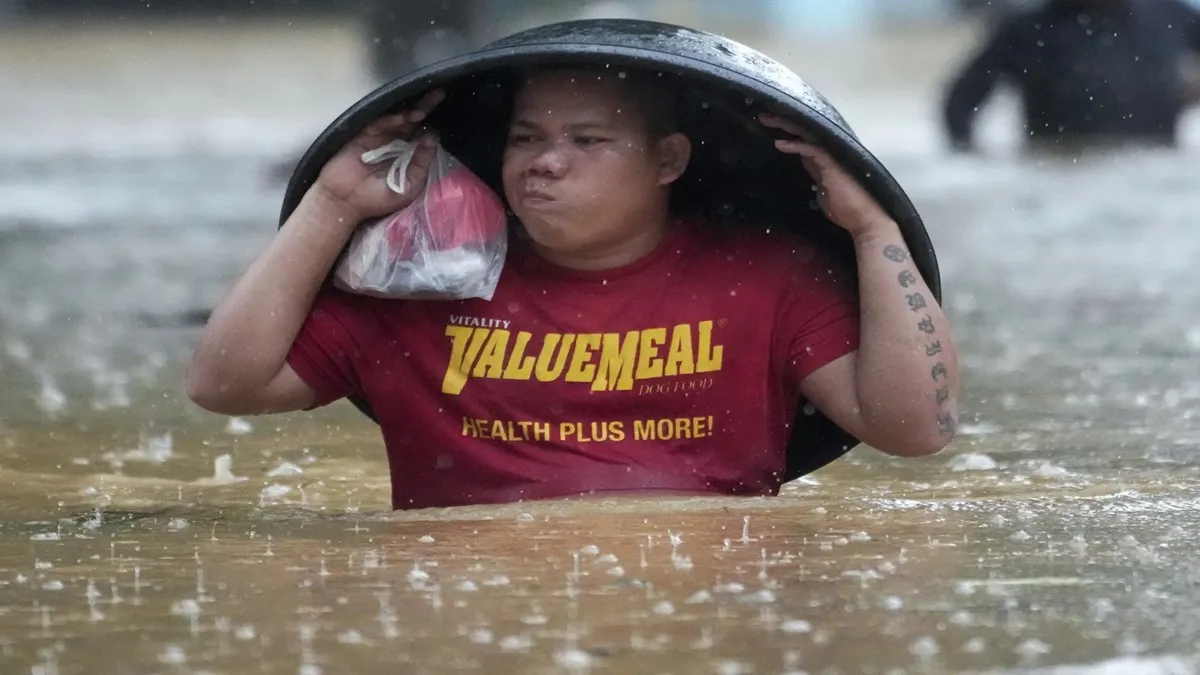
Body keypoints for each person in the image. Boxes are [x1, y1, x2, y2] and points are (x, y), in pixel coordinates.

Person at [186, 66, 960, 510]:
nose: (545, 162)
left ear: (668, 162)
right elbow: (224, 383)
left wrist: (872, 229)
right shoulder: (423, 286)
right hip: (470, 606)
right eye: (527, 139)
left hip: (701, 604)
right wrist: (332, 202)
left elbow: (915, 429)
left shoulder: (765, 277)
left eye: (586, 141)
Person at [942, 0, 1200, 152]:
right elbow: (960, 104)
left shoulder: (1169, 16)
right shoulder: (1027, 30)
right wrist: (973, 163)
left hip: (1156, 170)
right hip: (1058, 174)